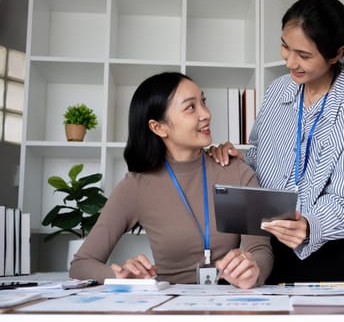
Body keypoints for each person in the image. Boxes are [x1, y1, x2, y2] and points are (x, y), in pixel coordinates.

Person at [208, 0, 344, 284]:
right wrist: (239, 158)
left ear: (336, 54)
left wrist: (308, 225)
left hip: (327, 250)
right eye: (285, 47)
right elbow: (261, 154)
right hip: (270, 244)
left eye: (303, 55)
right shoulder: (279, 89)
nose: (291, 62)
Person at [70, 72, 273, 289]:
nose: (206, 114)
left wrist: (253, 269)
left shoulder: (236, 171)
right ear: (159, 127)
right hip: (166, 305)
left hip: (229, 305)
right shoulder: (136, 185)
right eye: (190, 107)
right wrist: (120, 276)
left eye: (203, 102)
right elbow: (81, 264)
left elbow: (260, 251)